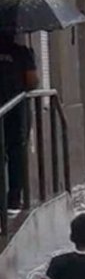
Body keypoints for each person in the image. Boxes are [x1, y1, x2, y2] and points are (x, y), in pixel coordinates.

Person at [0, 33, 39, 209]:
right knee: (17, 153)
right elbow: (32, 82)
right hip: (16, 110)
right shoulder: (22, 53)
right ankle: (14, 199)